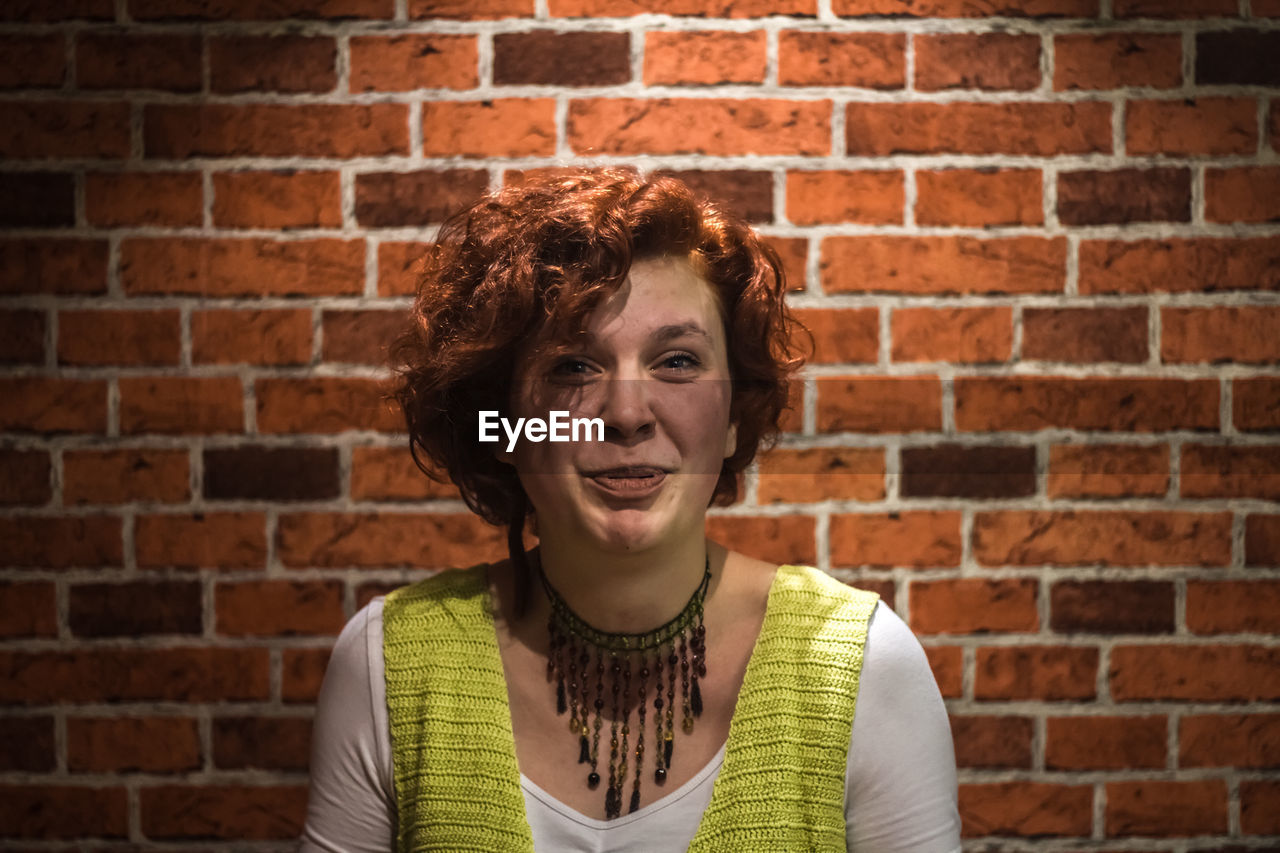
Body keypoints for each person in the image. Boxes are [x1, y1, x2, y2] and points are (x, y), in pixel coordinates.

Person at [300, 169, 961, 852]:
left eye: (677, 361)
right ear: (502, 426)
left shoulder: (863, 667)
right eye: (572, 367)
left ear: (735, 417)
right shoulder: (387, 667)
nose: (624, 414)